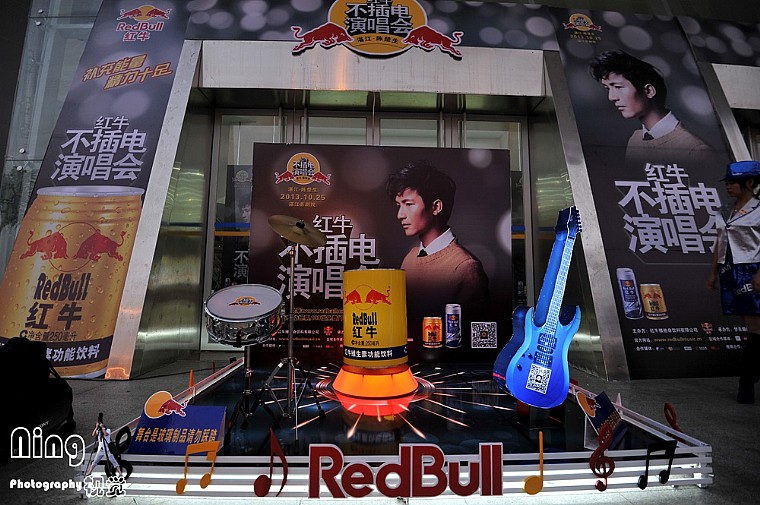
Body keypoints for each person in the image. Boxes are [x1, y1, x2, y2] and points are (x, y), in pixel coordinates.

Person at [386, 161, 489, 346]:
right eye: (398, 205)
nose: (400, 215)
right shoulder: (410, 258)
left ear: (436, 207)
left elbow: (473, 341)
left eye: (408, 204)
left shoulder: (465, 267)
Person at [588, 49, 711, 168]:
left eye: (618, 87)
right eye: (608, 88)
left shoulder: (695, 150)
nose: (611, 97)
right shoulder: (635, 140)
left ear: (649, 91)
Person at [707, 160, 760, 404]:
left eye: (733, 182)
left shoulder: (758, 209)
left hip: (753, 269)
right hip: (730, 271)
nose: (728, 186)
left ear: (749, 182)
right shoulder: (725, 210)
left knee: (755, 328)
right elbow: (720, 242)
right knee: (750, 325)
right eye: (727, 182)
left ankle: (746, 383)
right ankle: (750, 377)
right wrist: (712, 273)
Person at [86, 413, 123, 477]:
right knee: (95, 461)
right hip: (100, 449)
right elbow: (93, 434)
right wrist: (96, 427)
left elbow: (106, 434)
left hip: (107, 449)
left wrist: (103, 428)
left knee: (113, 460)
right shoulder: (98, 431)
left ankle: (120, 472)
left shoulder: (108, 430)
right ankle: (90, 472)